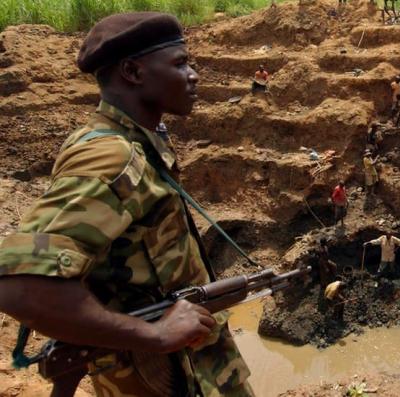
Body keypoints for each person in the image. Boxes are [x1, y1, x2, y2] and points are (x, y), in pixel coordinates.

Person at [0, 12, 253, 396]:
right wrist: (154, 335)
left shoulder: (139, 139)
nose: (194, 74)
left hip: (191, 370)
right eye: (180, 63)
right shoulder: (110, 156)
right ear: (133, 72)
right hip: (158, 378)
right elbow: (20, 286)